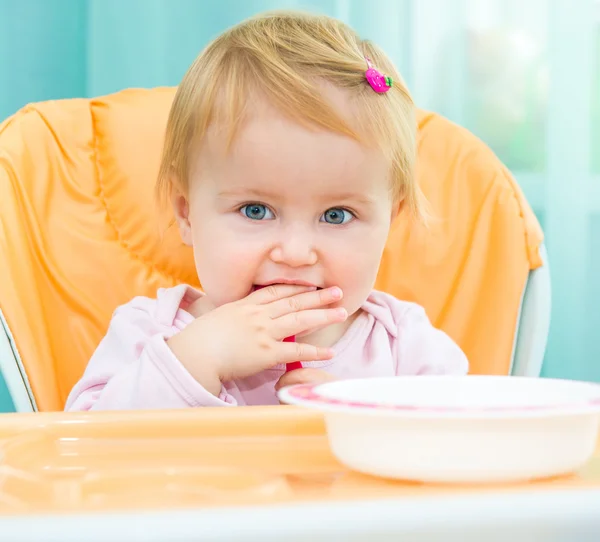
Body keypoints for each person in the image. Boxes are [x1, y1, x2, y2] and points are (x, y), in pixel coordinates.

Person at [65, 10, 468, 412]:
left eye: (336, 215)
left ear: (390, 222)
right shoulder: (150, 330)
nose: (295, 253)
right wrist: (195, 360)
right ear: (187, 214)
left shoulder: (406, 346)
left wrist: (359, 422)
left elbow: (465, 452)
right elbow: (81, 448)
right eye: (256, 210)